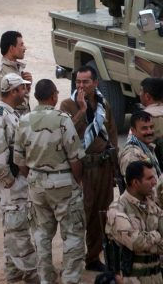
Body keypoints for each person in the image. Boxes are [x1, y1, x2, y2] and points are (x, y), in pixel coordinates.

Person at [14, 79, 85, 284]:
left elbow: (19, 160)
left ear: (36, 97)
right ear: (54, 96)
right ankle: (70, 279)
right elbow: (75, 158)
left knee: (41, 234)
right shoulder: (63, 119)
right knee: (72, 233)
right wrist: (76, 181)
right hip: (63, 182)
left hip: (36, 182)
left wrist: (33, 177)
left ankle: (45, 279)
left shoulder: (24, 120)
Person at [60, 65, 120, 272]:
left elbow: (112, 135)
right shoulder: (68, 105)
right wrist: (82, 111)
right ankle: (73, 259)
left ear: (95, 83)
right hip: (82, 169)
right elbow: (65, 134)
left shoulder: (104, 104)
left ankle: (93, 256)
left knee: (102, 212)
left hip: (103, 166)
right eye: (78, 82)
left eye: (86, 82)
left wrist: (115, 167)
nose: (81, 86)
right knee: (80, 214)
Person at [0, 73, 38, 283]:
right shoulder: (1, 115)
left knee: (12, 229)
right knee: (18, 229)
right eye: (22, 89)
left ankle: (13, 272)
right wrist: (9, 181)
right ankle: (31, 272)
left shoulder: (11, 113)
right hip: (11, 184)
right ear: (13, 91)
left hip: (16, 182)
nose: (25, 93)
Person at [105, 160, 163, 283]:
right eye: (149, 178)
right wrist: (157, 235)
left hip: (156, 277)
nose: (154, 182)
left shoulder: (152, 205)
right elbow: (137, 242)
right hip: (130, 279)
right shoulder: (117, 210)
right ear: (135, 182)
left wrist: (148, 242)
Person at [0, 31, 32, 115]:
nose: (24, 48)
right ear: (11, 48)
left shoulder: (17, 70)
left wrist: (26, 88)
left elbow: (22, 104)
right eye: (21, 45)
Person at [120, 111, 161, 178]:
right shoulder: (131, 155)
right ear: (133, 131)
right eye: (144, 128)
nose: (149, 131)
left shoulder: (148, 147)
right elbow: (136, 185)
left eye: (151, 127)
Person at [139, 78, 163, 163]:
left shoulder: (142, 118)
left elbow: (136, 148)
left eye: (141, 91)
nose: (139, 94)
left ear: (147, 96)